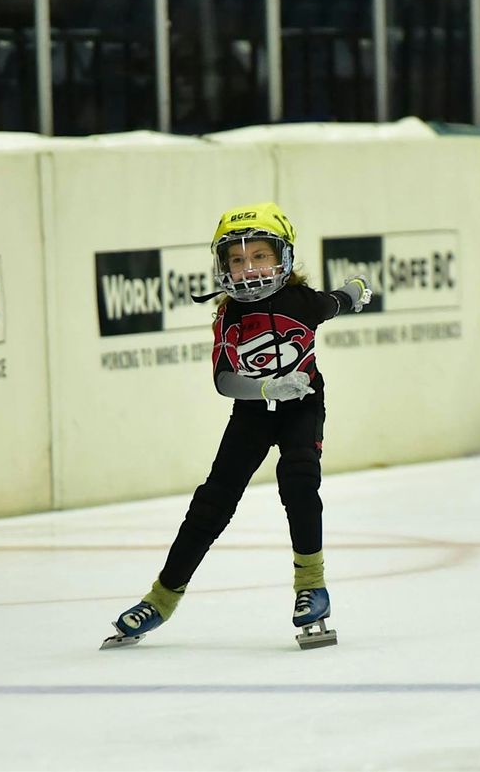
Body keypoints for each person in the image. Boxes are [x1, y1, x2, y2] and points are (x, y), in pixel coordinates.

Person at [104, 202, 371, 649]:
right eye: (238, 259)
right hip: (252, 412)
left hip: (303, 406)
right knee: (212, 502)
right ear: (223, 266)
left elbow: (337, 301)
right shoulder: (230, 317)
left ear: (283, 257)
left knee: (299, 476)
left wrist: (356, 288)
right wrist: (266, 389)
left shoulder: (302, 302)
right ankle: (161, 598)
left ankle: (312, 586)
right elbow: (225, 381)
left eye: (260, 256)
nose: (249, 268)